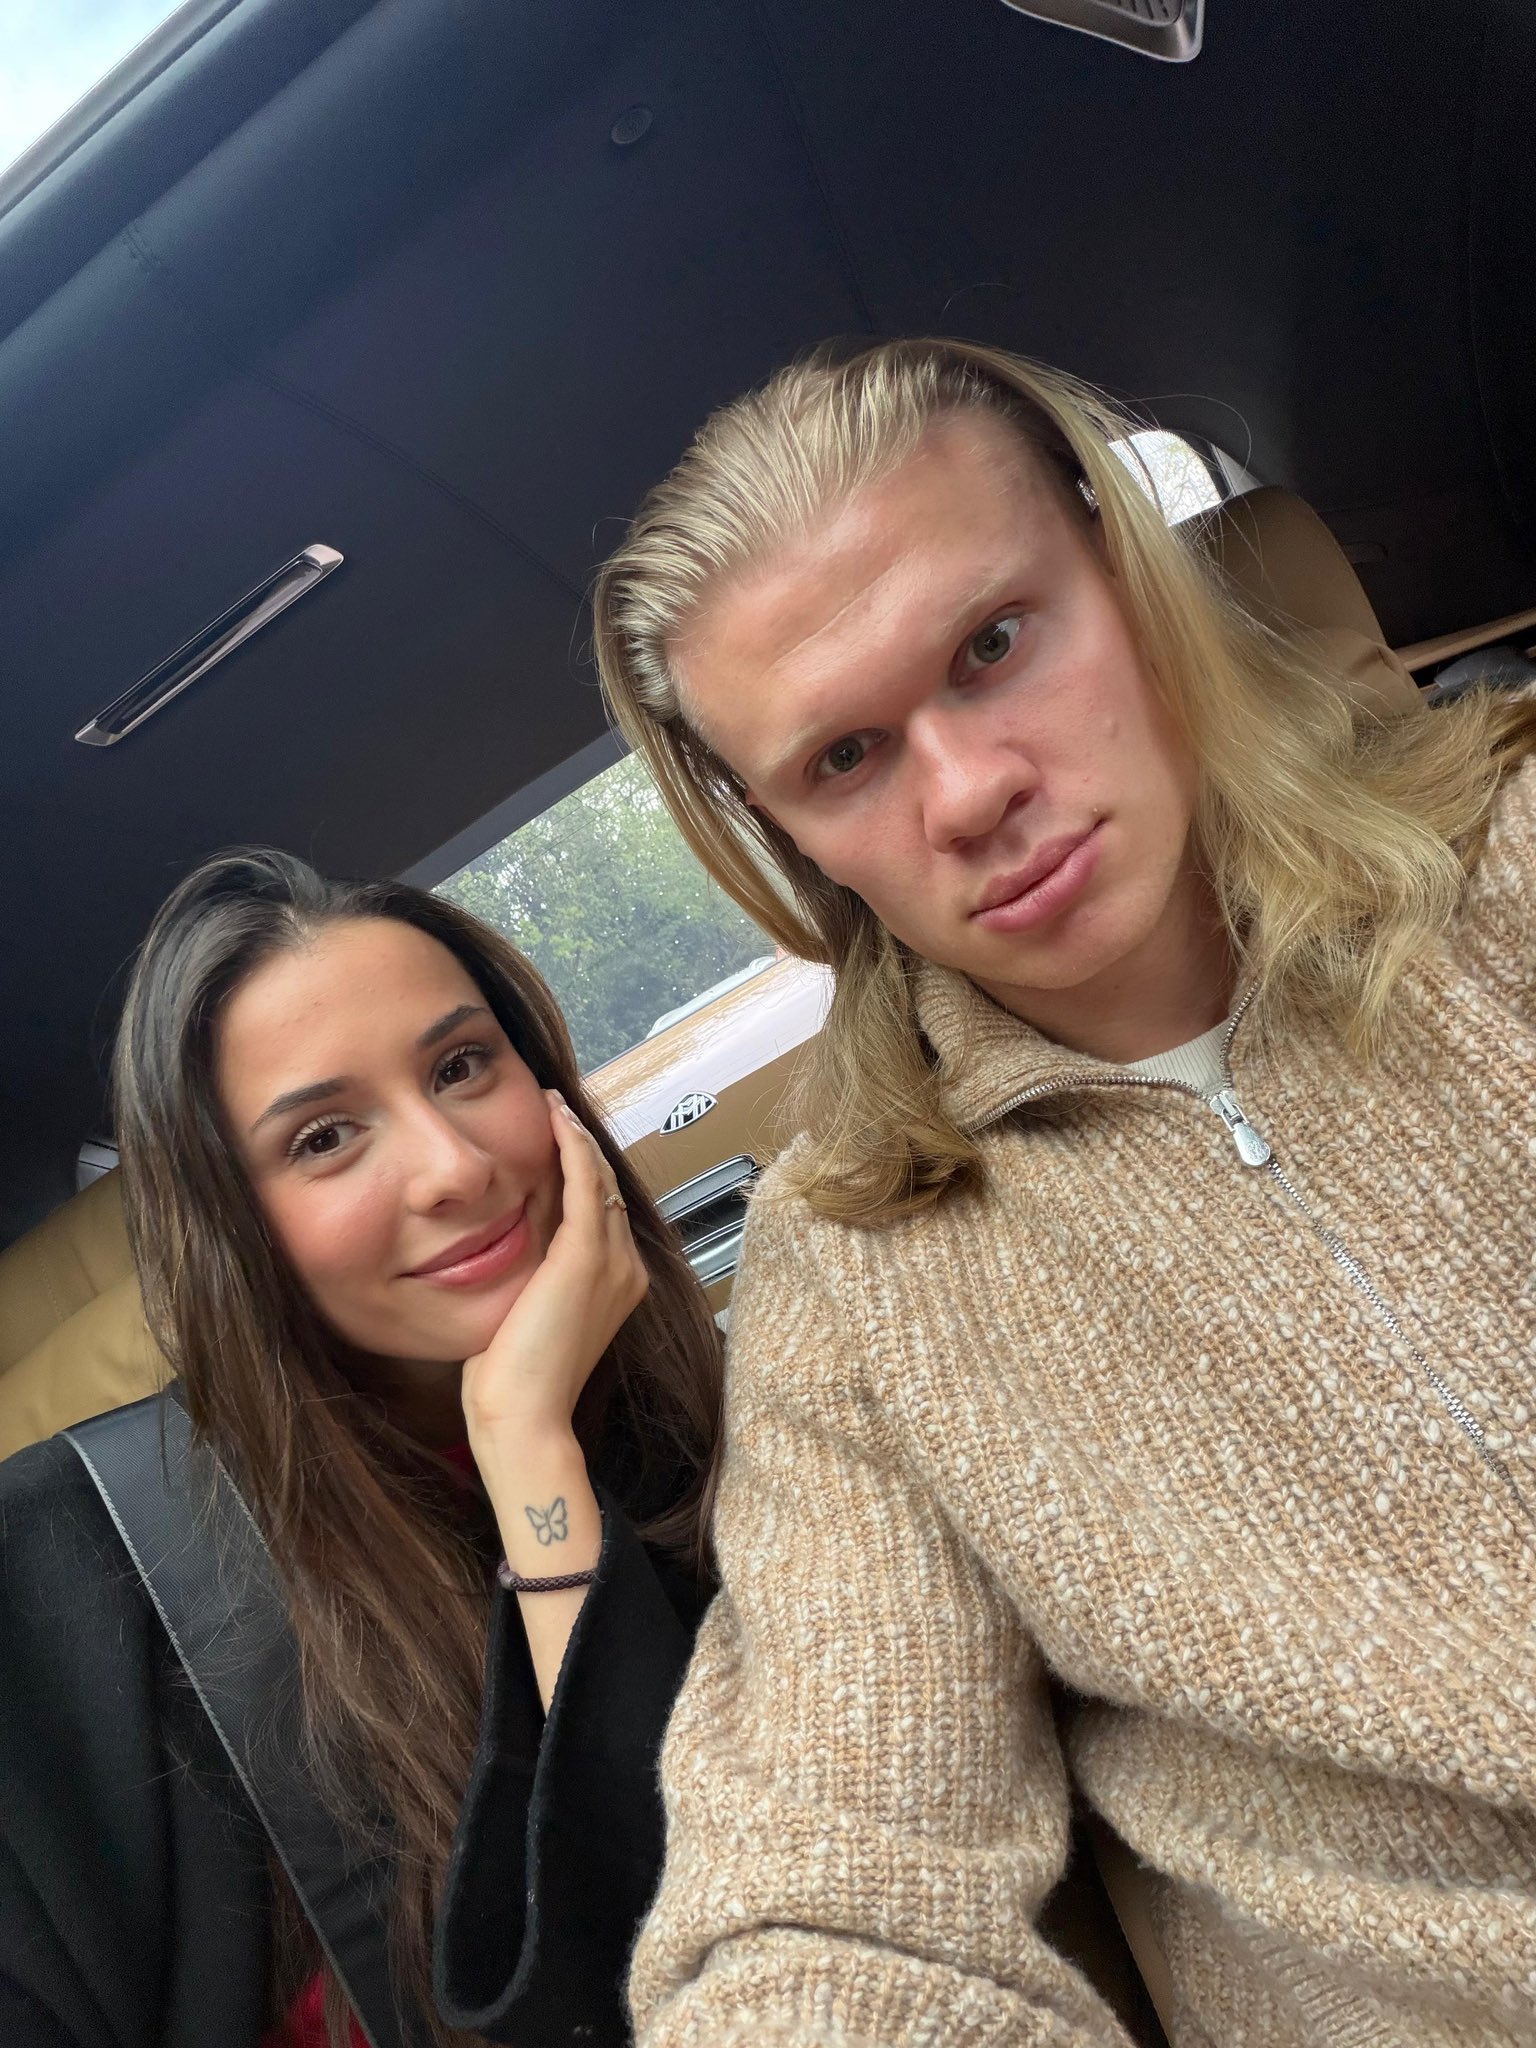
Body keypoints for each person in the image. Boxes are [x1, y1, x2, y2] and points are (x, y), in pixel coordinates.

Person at [592, 337, 1536, 2046]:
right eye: (845, 758)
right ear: (786, 831)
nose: (970, 794)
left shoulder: (1516, 854)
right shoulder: (852, 1273)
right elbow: (832, 1892)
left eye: (994, 644)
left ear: (1128, 569)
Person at [0, 849, 721, 2048]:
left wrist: (528, 1445)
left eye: (461, 1065)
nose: (454, 1167)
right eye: (325, 1136)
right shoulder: (61, 1578)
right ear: (231, 1228)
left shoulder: (708, 1430)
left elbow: (737, 1925)